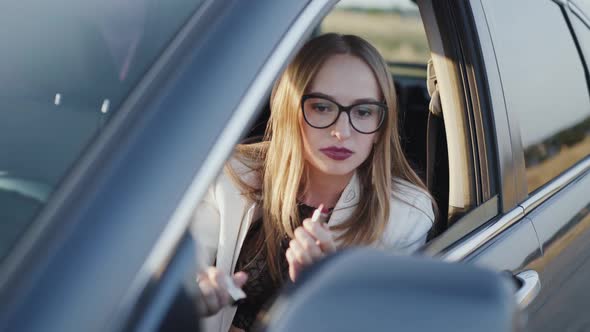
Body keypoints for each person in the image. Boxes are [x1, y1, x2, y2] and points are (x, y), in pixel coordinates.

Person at [190, 33, 436, 332]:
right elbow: (179, 269)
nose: (342, 131)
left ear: (380, 126)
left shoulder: (405, 215)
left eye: (363, 112)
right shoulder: (231, 176)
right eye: (322, 107)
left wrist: (323, 292)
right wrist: (195, 289)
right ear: (290, 109)